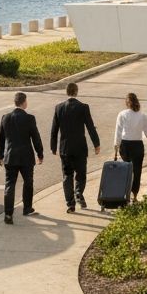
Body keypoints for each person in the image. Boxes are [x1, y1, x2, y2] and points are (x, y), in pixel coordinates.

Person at [49, 82, 100, 213]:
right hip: (80, 148)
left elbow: (54, 130)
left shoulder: (59, 108)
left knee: (67, 176)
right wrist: (96, 144)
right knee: (81, 174)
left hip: (65, 149)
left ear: (66, 92)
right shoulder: (83, 107)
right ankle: (78, 193)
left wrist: (53, 147)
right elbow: (90, 127)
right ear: (76, 92)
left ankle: (70, 204)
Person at [0, 91, 43, 224]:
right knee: (28, 182)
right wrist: (40, 154)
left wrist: (0, 155)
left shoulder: (5, 117)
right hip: (26, 157)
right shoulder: (29, 118)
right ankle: (27, 208)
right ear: (24, 102)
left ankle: (8, 214)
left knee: (9, 184)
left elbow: (0, 139)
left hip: (10, 157)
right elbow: (36, 138)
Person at [113, 92, 147, 204]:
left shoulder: (122, 114)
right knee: (137, 171)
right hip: (137, 145)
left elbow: (118, 132)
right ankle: (134, 196)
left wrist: (116, 146)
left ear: (126, 103)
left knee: (126, 170)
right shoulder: (143, 116)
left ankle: (125, 195)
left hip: (125, 145)